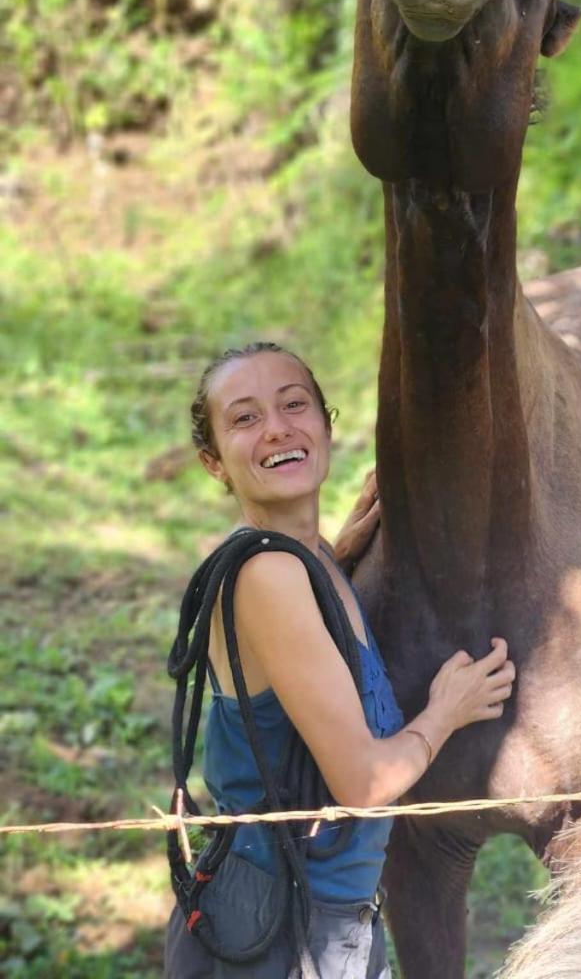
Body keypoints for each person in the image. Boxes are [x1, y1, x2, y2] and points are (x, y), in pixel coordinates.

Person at [165, 341, 515, 979]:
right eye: (244, 418)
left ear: (327, 424)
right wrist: (446, 712)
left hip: (319, 916)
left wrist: (341, 554)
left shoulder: (307, 556)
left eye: (294, 404)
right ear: (213, 462)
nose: (277, 427)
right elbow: (363, 783)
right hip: (281, 933)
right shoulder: (268, 575)